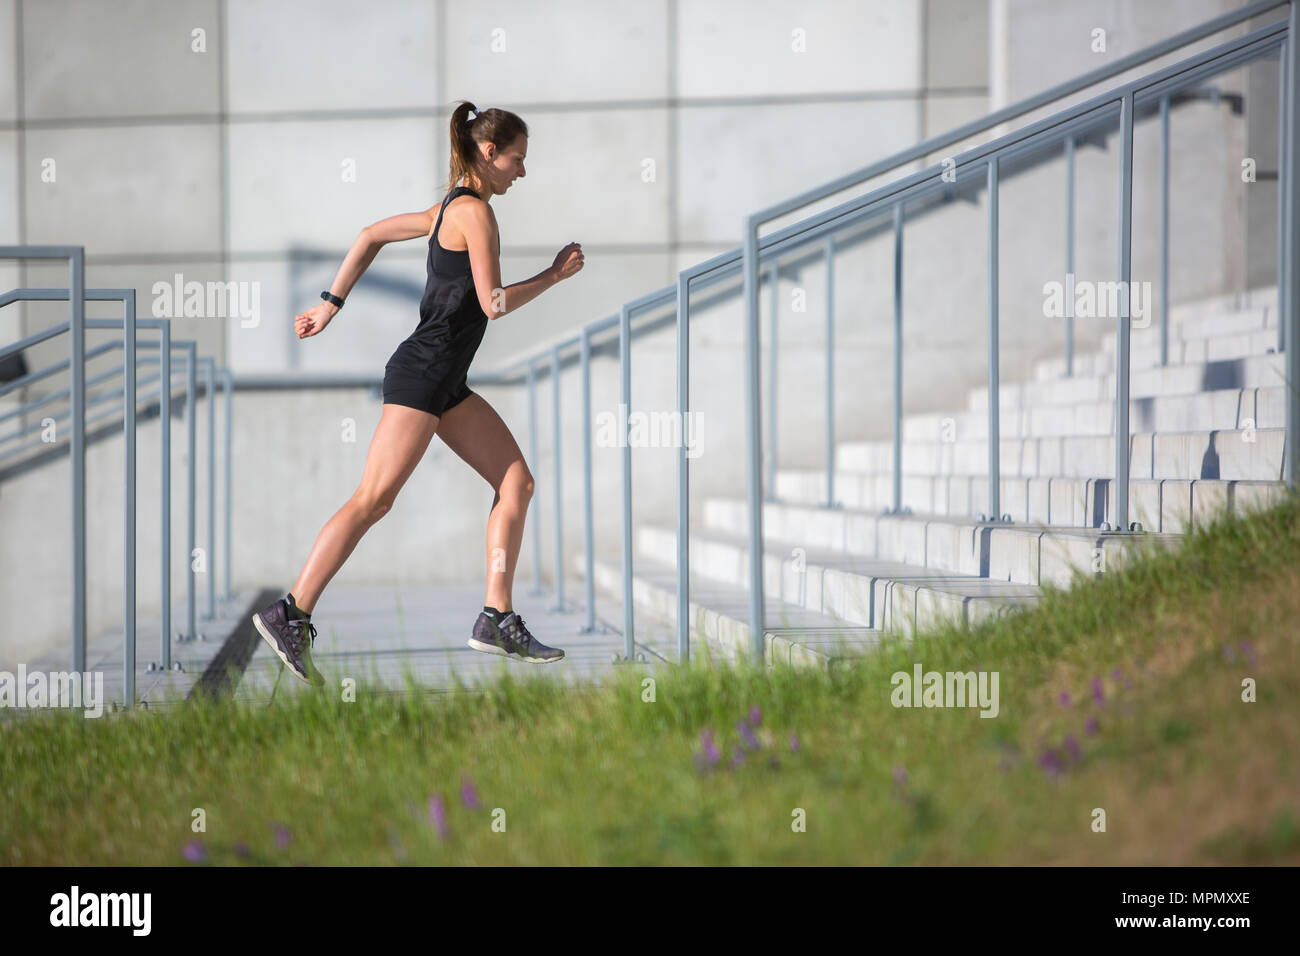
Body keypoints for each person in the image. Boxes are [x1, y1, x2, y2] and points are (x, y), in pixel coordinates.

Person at [252, 100, 584, 684]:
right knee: (373, 499)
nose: (522, 173)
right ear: (489, 153)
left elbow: (369, 235)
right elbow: (494, 304)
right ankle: (290, 611)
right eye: (517, 160)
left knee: (517, 482)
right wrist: (555, 276)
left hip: (444, 380)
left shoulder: (445, 209)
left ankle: (495, 617)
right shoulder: (473, 214)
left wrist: (330, 305)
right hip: (423, 374)